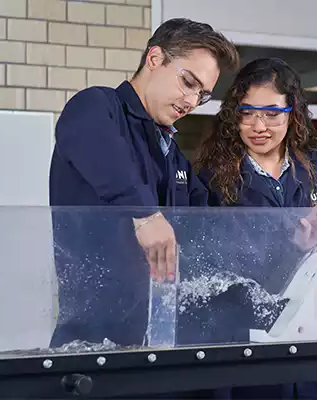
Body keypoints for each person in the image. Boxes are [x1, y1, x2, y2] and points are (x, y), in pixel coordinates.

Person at [193, 57, 317, 399]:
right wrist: (296, 245)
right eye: (247, 112)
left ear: (293, 112)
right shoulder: (212, 176)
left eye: (272, 113)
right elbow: (215, 270)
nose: (259, 126)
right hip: (248, 351)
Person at [48, 18, 239, 352]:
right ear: (154, 59)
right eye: (188, 82)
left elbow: (210, 223)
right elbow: (94, 142)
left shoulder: (171, 153)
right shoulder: (97, 107)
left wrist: (292, 237)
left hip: (155, 336)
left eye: (202, 94)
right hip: (92, 340)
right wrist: (146, 215)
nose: (191, 102)